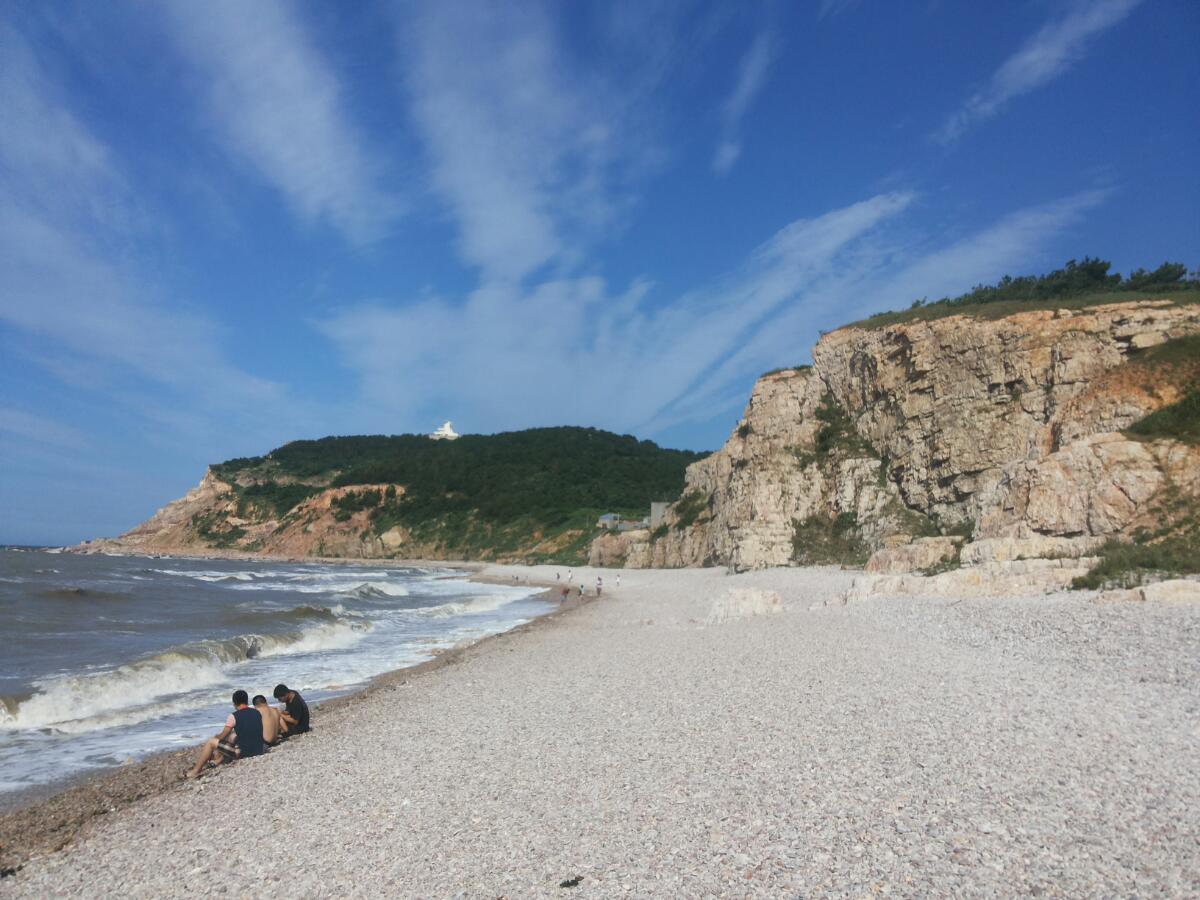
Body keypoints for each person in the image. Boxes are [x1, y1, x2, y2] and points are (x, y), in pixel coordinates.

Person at [186, 690, 265, 779]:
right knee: (233, 736)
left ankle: (195, 771)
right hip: (259, 749)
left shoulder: (234, 716)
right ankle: (219, 761)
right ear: (247, 701)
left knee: (211, 742)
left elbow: (222, 736)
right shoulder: (256, 712)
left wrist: (215, 737)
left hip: (245, 753)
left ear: (234, 703)